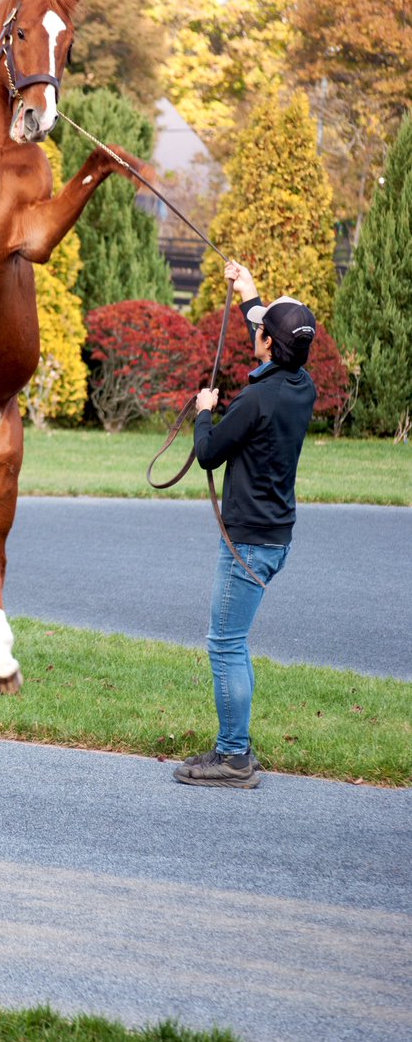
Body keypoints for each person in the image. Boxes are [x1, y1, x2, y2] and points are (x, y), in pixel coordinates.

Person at [173, 261, 317, 789]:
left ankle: (234, 757)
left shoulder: (255, 399)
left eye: (261, 329)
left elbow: (209, 454)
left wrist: (204, 410)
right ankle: (237, 746)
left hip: (248, 544)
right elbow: (270, 328)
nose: (255, 331)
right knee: (235, 642)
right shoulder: (301, 385)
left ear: (268, 344)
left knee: (225, 644)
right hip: (273, 537)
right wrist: (249, 289)